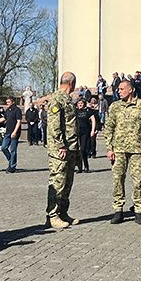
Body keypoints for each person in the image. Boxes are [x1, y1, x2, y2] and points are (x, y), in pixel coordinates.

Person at [105, 80, 141, 224]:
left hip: (137, 151)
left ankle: (138, 211)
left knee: (138, 181)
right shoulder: (115, 106)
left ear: (130, 90)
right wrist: (109, 148)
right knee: (118, 180)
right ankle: (118, 211)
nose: (119, 91)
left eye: (121, 89)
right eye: (118, 89)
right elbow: (109, 127)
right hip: (119, 150)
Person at [45, 72, 80, 229]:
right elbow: (54, 126)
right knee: (58, 181)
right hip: (60, 150)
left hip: (71, 148)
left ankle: (63, 212)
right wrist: (61, 146)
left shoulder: (68, 100)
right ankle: (52, 215)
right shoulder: (56, 100)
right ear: (72, 83)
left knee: (67, 183)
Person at [0, 95, 21, 173]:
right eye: (6, 102)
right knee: (3, 148)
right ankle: (11, 160)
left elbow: (19, 121)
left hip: (14, 133)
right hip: (7, 132)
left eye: (8, 102)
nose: (7, 103)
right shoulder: (8, 110)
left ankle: (12, 167)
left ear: (13, 102)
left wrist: (15, 132)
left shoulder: (17, 110)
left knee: (13, 150)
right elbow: (4, 118)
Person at [75, 98, 93, 173]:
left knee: (83, 149)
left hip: (85, 132)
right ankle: (79, 167)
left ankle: (86, 166)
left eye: (81, 103)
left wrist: (93, 130)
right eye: (79, 103)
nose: (80, 104)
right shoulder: (75, 112)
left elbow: (93, 119)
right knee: (77, 151)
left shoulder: (87, 111)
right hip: (77, 132)